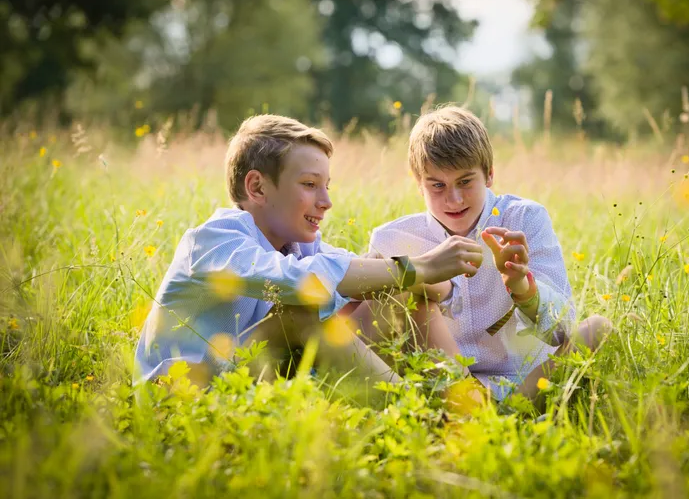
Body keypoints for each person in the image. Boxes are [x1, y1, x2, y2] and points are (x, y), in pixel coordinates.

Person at [133, 114, 483, 387]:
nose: (327, 202)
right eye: (310, 185)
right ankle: (418, 418)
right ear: (257, 187)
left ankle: (463, 403)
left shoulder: (299, 247)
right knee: (303, 312)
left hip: (256, 385)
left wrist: (425, 274)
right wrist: (418, 269)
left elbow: (366, 274)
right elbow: (299, 282)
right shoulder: (214, 242)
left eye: (326, 186)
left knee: (390, 295)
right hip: (182, 394)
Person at [364, 106, 612, 401]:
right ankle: (478, 407)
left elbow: (563, 329)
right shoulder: (391, 239)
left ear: (490, 174)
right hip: (444, 381)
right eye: (437, 185)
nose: (454, 199)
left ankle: (511, 407)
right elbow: (370, 330)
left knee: (598, 329)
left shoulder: (524, 219)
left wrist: (523, 289)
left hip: (527, 378)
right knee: (413, 293)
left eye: (465, 182)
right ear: (419, 184)